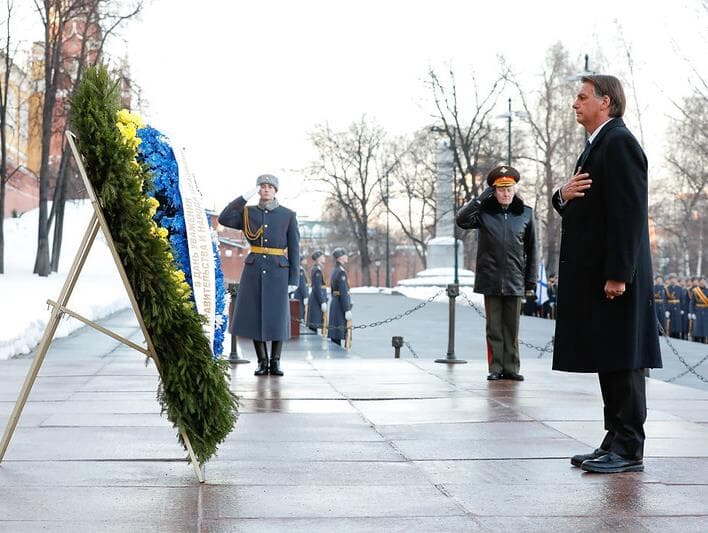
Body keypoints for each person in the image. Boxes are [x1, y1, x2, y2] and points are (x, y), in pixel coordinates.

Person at [552, 75, 661, 474]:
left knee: (624, 361)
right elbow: (582, 200)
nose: (574, 103)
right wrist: (560, 196)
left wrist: (618, 273)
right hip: (602, 275)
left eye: (582, 97)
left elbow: (629, 215)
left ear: (607, 103)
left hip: (617, 278)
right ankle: (614, 438)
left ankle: (629, 447)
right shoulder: (599, 144)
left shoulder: (619, 143)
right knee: (609, 357)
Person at [456, 165, 537, 381]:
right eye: (501, 189)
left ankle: (511, 368)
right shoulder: (484, 213)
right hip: (490, 278)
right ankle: (496, 367)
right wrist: (480, 199)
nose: (506, 193)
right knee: (494, 327)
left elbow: (532, 249)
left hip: (515, 279)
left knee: (512, 327)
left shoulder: (526, 214)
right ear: (494, 191)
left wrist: (530, 281)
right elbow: (461, 220)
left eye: (509, 188)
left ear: (514, 189)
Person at [217, 174, 300, 376]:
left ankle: (275, 362)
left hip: (279, 270)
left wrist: (294, 279)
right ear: (258, 189)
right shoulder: (248, 213)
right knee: (256, 316)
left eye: (270, 186)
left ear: (275, 191)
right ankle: (262, 361)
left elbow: (295, 248)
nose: (266, 189)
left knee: (278, 316)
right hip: (254, 270)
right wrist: (244, 197)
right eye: (262, 186)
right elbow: (224, 217)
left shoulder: (287, 215)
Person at [327, 248, 352, 347]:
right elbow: (343, 292)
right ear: (340, 257)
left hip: (336, 302)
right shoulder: (341, 272)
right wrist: (347, 309)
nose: (347, 257)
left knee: (336, 335)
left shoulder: (335, 270)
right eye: (345, 255)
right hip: (340, 305)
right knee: (338, 335)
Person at [306, 250, 328, 333]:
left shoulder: (317, 268)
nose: (324, 258)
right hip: (316, 300)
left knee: (315, 324)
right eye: (322, 256)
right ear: (318, 258)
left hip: (316, 299)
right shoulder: (317, 270)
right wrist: (322, 301)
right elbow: (317, 288)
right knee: (314, 325)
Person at [665, 274, 683, 338]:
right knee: (671, 324)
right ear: (669, 280)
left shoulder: (680, 288)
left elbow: (682, 299)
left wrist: (682, 309)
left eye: (674, 279)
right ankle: (671, 334)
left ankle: (678, 334)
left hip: (678, 307)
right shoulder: (667, 288)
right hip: (670, 307)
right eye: (671, 279)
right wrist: (666, 310)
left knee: (678, 322)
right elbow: (665, 300)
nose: (673, 280)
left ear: (676, 280)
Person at [690, 277, 708, 343]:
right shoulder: (695, 290)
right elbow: (692, 303)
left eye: (704, 281)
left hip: (706, 312)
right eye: (701, 281)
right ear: (699, 282)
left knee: (705, 329)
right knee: (697, 329)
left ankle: (704, 341)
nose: (702, 282)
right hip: (697, 312)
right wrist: (692, 313)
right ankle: (696, 342)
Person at [292, 256, 309, 321]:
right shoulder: (300, 270)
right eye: (304, 260)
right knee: (300, 313)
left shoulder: (301, 269)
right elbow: (302, 285)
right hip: (300, 295)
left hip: (299, 294)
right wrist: (305, 296)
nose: (306, 261)